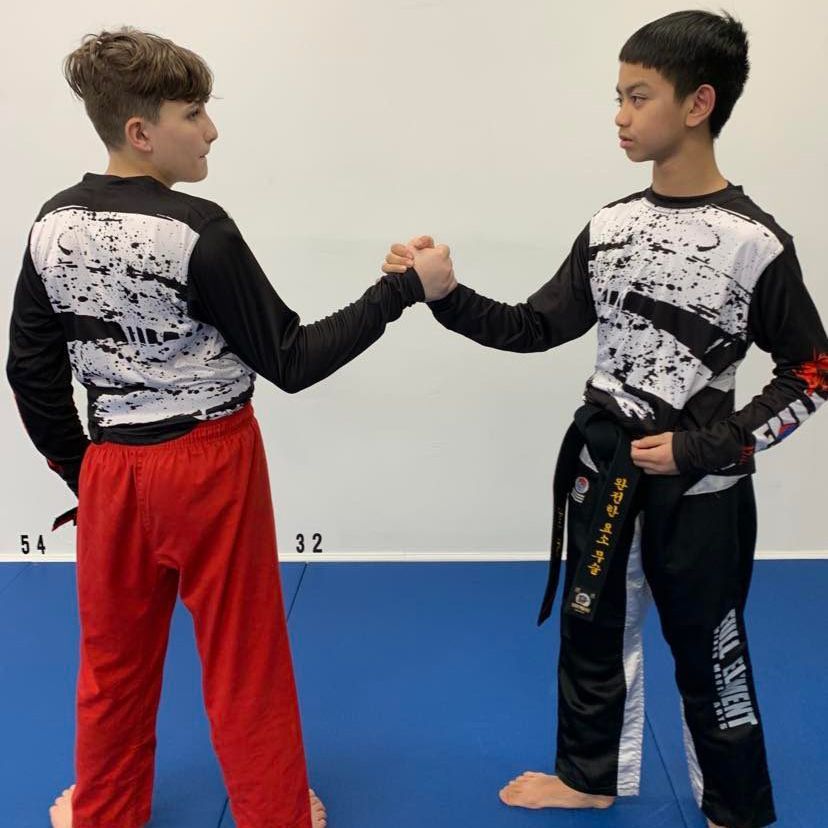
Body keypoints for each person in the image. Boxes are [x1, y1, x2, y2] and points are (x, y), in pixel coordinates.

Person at [383, 11, 826, 828]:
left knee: (711, 650)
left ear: (698, 104)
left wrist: (706, 446)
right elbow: (535, 326)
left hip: (700, 486)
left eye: (636, 97)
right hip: (605, 464)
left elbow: (812, 371)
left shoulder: (755, 243)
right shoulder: (612, 226)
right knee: (590, 627)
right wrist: (442, 296)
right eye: (616, 97)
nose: (618, 116)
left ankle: (735, 806)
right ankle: (589, 775)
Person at [6, 28, 454, 828]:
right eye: (194, 112)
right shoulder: (197, 229)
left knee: (112, 661)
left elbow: (31, 373)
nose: (211, 129)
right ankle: (274, 815)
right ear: (141, 132)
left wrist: (88, 477)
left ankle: (105, 811)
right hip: (209, 464)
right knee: (244, 656)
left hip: (111, 464)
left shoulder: (50, 224)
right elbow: (293, 359)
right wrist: (399, 291)